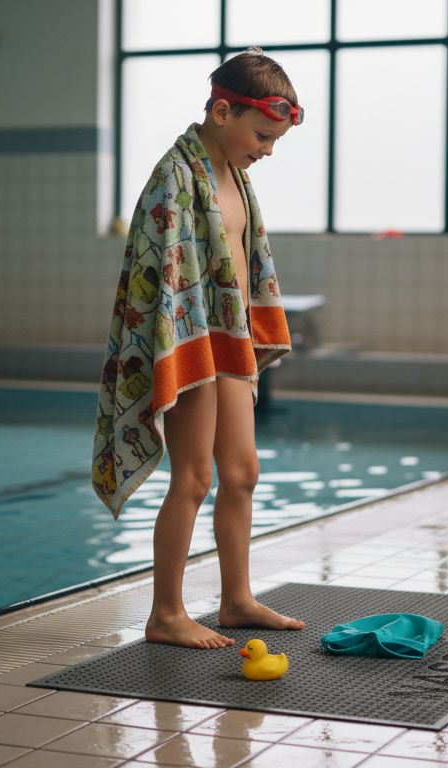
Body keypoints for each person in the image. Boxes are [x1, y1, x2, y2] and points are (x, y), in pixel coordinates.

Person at [92, 49, 306, 648]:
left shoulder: (233, 174)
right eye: (262, 135)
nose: (267, 150)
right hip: (188, 341)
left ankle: (236, 600)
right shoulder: (176, 176)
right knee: (193, 477)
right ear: (220, 110)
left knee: (242, 472)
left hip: (228, 339)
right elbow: (162, 284)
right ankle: (166, 614)